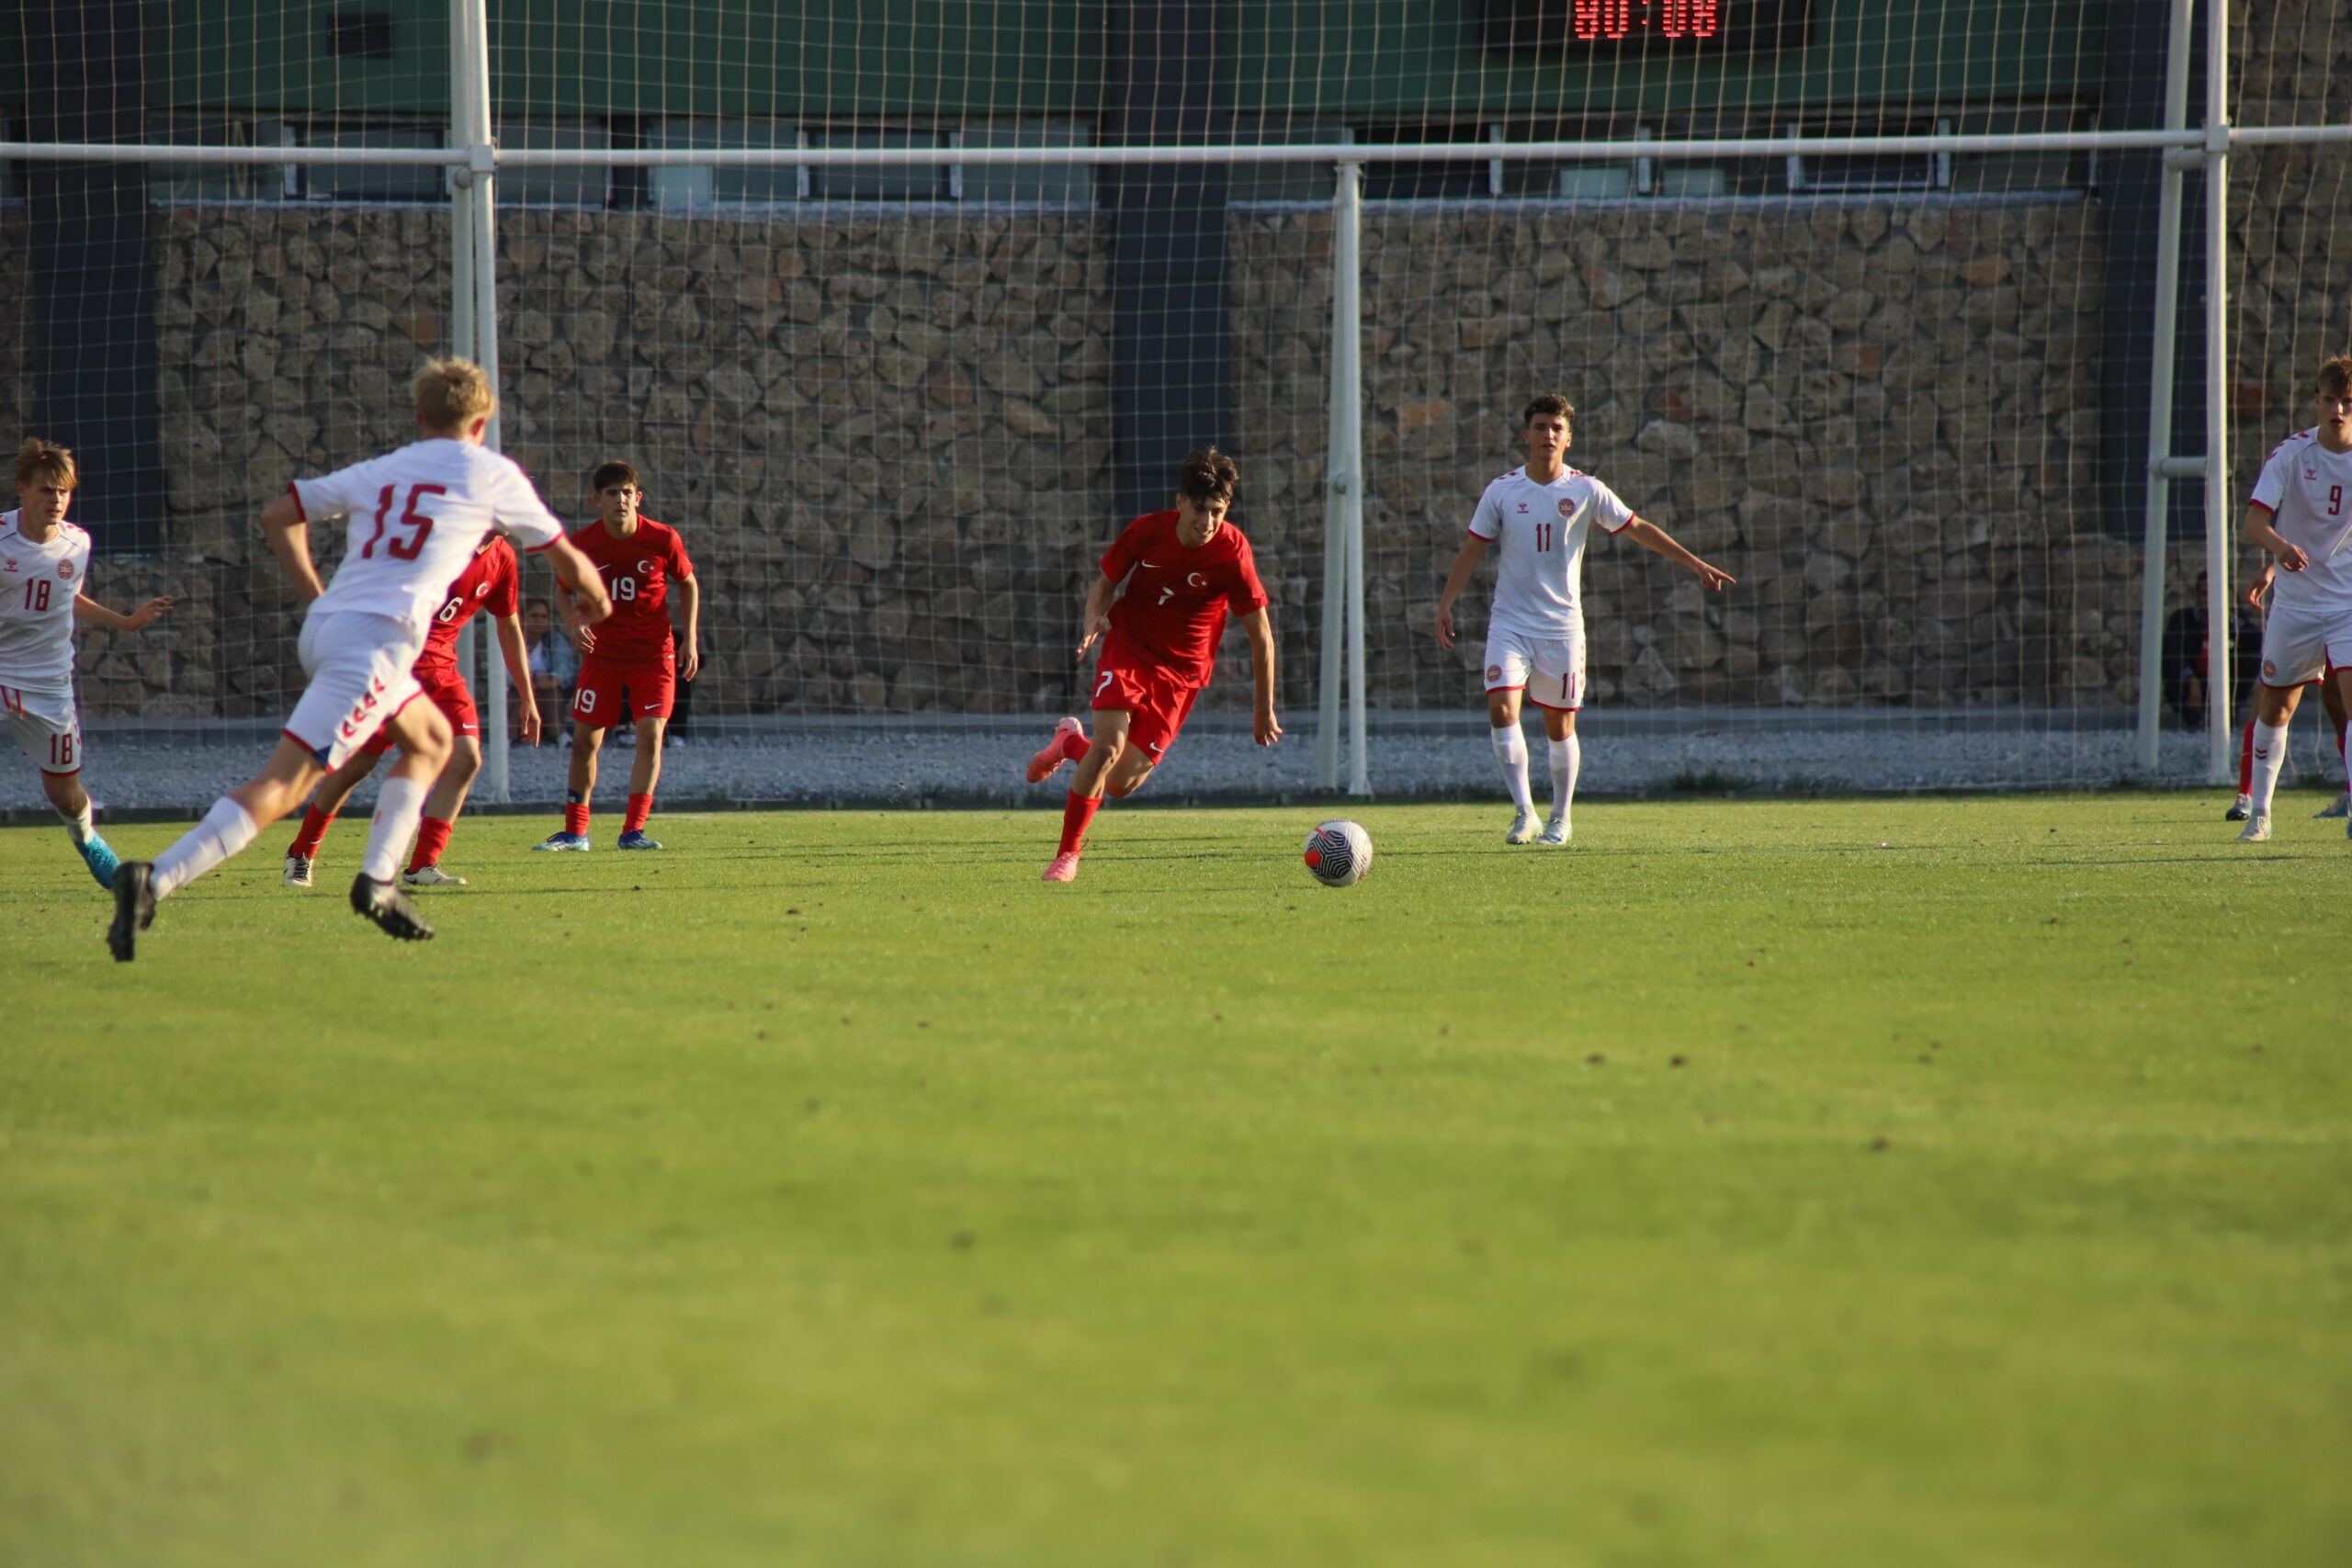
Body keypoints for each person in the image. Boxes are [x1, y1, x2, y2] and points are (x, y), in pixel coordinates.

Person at [107, 359, 609, 961]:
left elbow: (277, 515)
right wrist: (598, 606)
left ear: (421, 418)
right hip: (375, 644)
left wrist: (320, 601)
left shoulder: (386, 469)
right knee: (285, 783)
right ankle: (155, 877)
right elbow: (570, 563)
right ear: (482, 423)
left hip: (335, 628)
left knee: (430, 741)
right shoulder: (490, 473)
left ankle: (378, 880)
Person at [1433, 393, 1734, 844]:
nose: (1547, 435)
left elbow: (1637, 527)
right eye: (1540, 426)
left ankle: (1560, 818)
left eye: (1556, 428)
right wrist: (1445, 603)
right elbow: (1473, 547)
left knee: (1560, 725)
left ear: (1568, 439)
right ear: (1526, 435)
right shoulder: (1501, 490)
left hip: (1561, 629)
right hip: (1510, 624)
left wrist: (1694, 563)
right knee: (1501, 707)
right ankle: (1523, 813)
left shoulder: (1586, 489)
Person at [1024, 447, 1280, 883]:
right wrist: (1092, 619)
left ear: (1227, 508)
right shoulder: (1146, 532)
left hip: (1181, 675)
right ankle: (1067, 855)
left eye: (1217, 511)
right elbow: (1104, 586)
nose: (1207, 521)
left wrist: (1263, 710)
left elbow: (1261, 637)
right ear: (1180, 502)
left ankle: (1068, 744)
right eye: (1199, 509)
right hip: (1128, 647)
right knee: (1107, 747)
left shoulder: (1232, 553)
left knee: (1121, 783)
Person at [280, 534, 539, 889]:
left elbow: (508, 625)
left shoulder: (503, 556)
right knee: (357, 764)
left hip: (442, 674)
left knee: (466, 758)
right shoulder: (439, 534)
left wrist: (527, 694)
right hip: (394, 666)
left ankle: (422, 866)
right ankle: (301, 852)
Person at [0, 437, 171, 887]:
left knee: (64, 789)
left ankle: (86, 838)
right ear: (22, 489)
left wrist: (128, 622)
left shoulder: (77, 543)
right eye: (45, 490)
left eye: (63, 491)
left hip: (47, 680)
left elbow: (68, 598)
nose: (56, 500)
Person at [534, 461, 698, 852]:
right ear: (597, 500)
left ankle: (633, 832)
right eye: (612, 493)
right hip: (603, 656)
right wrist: (574, 624)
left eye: (627, 492)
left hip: (653, 654)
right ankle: (575, 833)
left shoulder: (662, 538)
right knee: (585, 742)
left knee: (650, 735)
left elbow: (687, 583)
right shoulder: (584, 544)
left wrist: (689, 639)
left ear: (638, 498)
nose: (620, 500)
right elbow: (561, 590)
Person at [2233, 354, 2352, 843]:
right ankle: (2259, 815)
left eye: (2348, 401)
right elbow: (2255, 522)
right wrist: (2278, 551)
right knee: (2275, 709)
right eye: (2330, 400)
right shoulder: (2291, 455)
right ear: (2317, 402)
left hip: (2346, 604)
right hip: (2297, 604)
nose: (2339, 410)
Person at [2226, 561, 2348, 822]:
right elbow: (2307, 540)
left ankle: (2350, 791)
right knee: (2271, 701)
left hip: (2343, 611)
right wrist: (2271, 569)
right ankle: (2247, 795)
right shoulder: (2296, 522)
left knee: (2339, 701)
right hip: (2302, 610)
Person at [520, 595, 577, 728]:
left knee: (553, 694)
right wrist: (531, 682)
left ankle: (559, 736)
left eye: (543, 616)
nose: (539, 620)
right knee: (519, 695)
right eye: (534, 616)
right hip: (520, 688)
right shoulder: (514, 640)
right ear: (522, 618)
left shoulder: (554, 639)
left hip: (548, 688)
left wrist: (553, 680)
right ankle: (511, 738)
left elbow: (565, 666)